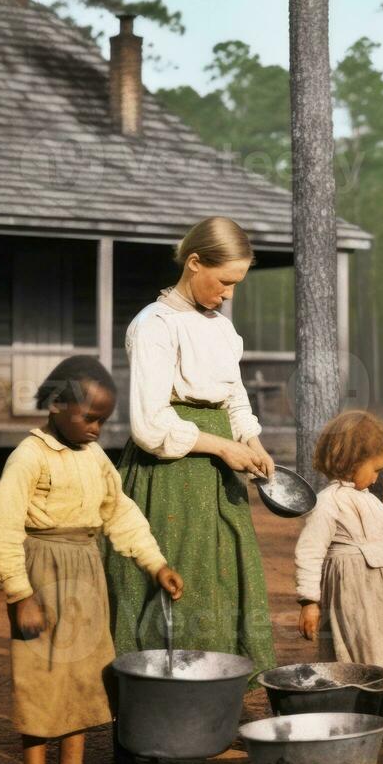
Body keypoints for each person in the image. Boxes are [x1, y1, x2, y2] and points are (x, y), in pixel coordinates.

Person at [0, 357, 183, 764]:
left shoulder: (94, 458)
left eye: (104, 421)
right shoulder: (29, 457)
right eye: (89, 418)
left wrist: (155, 564)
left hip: (87, 572)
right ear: (55, 405)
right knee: (42, 677)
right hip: (41, 575)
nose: (97, 429)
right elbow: (1, 527)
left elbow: (121, 512)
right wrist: (19, 593)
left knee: (85, 674)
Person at [104, 217, 276, 675]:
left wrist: (249, 439)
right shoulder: (155, 325)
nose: (229, 293)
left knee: (220, 576)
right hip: (171, 472)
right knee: (179, 573)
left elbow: (234, 394)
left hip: (220, 472)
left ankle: (218, 686)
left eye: (236, 284)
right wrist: (220, 448)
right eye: (224, 282)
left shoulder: (221, 329)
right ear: (195, 263)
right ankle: (162, 691)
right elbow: (150, 423)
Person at [296, 411, 383, 685]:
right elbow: (310, 551)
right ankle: (369, 688)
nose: (377, 478)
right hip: (354, 587)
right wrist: (309, 601)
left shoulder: (368, 499)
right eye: (375, 470)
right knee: (364, 637)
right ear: (350, 462)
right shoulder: (328, 503)